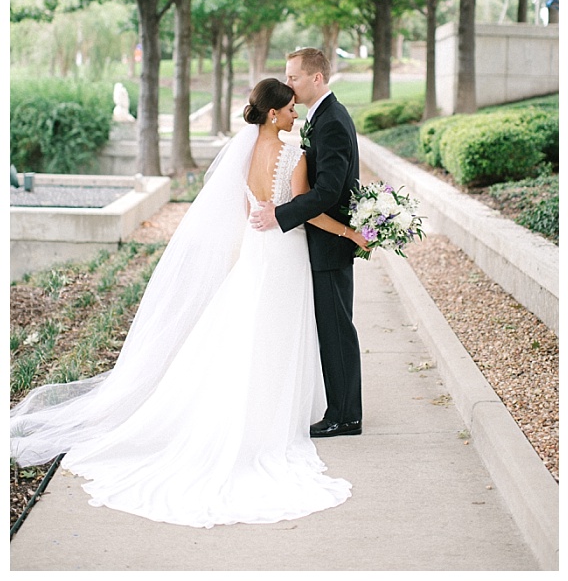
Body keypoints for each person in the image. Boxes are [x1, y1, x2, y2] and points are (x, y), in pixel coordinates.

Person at [10, 78, 368, 527]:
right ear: (274, 114)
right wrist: (353, 233)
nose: (296, 116)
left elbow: (250, 214)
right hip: (285, 252)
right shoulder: (292, 155)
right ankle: (273, 417)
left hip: (259, 251)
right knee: (279, 334)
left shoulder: (243, 157)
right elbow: (309, 211)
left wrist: (266, 216)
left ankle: (254, 410)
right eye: (291, 110)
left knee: (250, 333)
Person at [250, 48, 364, 438]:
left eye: (294, 77)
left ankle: (346, 416)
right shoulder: (320, 119)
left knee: (336, 331)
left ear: (317, 78)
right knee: (330, 330)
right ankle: (339, 409)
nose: (289, 85)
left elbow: (329, 191)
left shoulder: (331, 121)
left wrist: (280, 216)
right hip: (315, 242)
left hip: (328, 247)